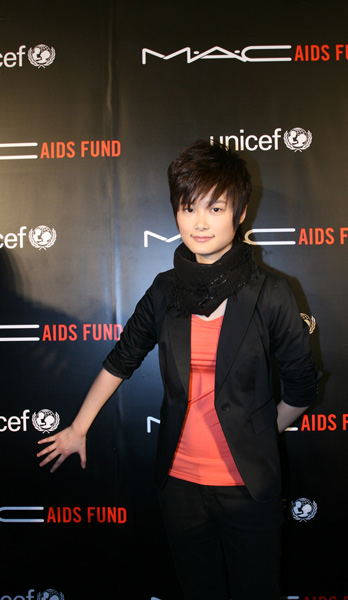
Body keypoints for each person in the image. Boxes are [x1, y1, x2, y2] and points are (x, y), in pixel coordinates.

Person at [37, 140, 318, 600]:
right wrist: (77, 428)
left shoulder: (271, 293)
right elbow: (122, 358)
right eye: (188, 208)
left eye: (215, 208)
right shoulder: (164, 290)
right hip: (180, 487)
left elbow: (301, 386)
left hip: (248, 488)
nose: (200, 222)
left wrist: (258, 432)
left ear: (240, 213)